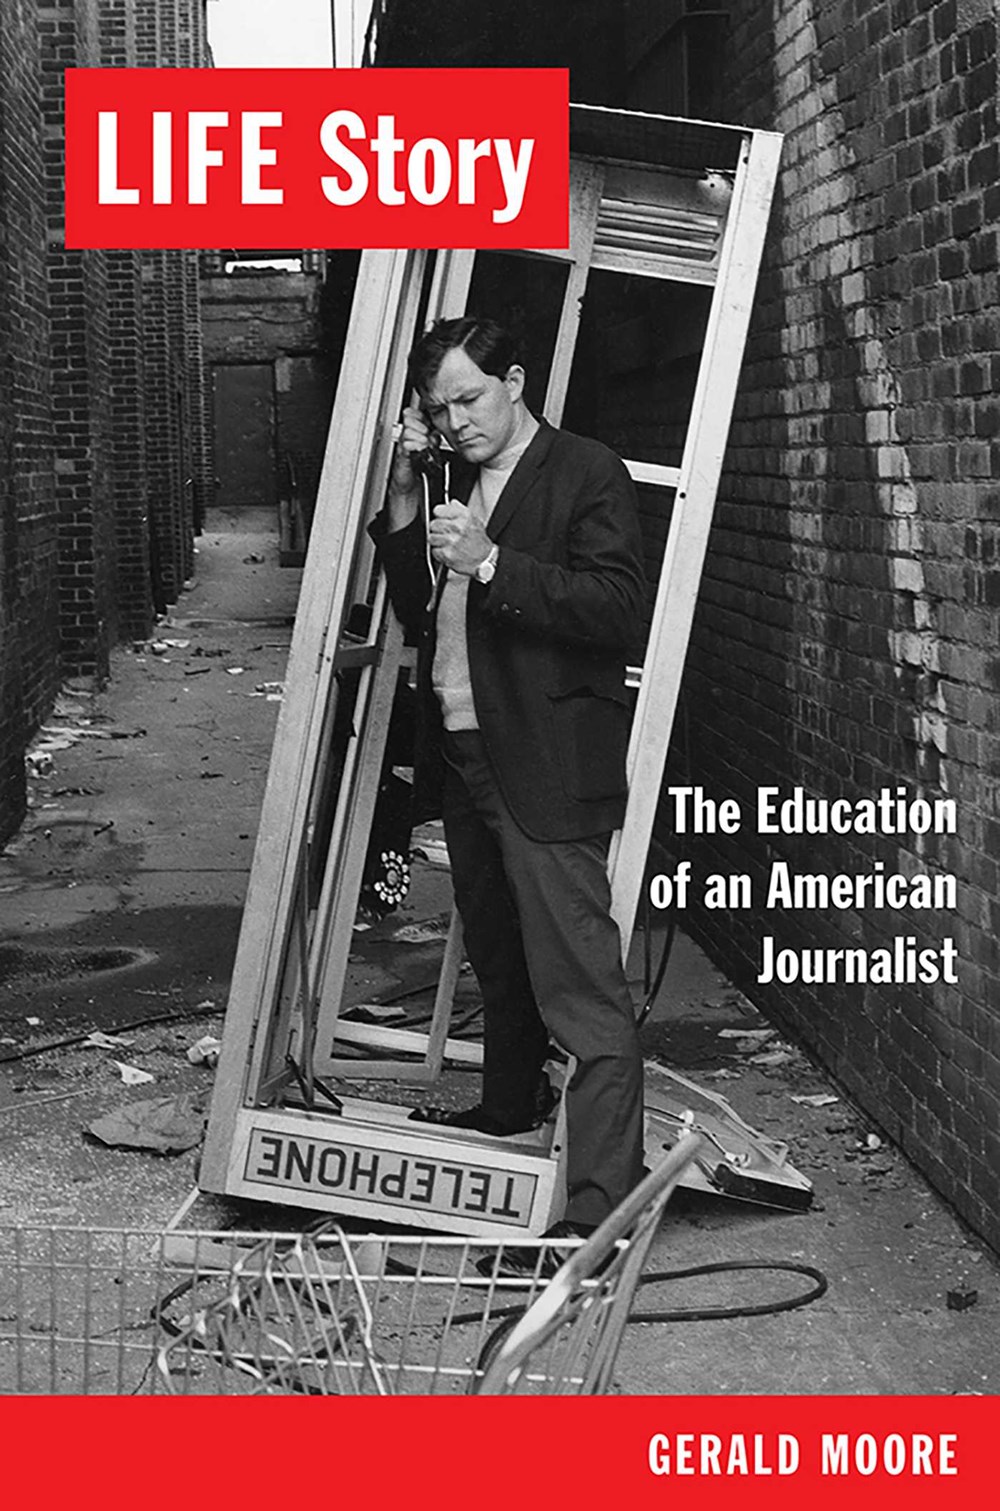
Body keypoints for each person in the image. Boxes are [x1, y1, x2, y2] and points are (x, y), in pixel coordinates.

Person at [371, 315, 646, 1239]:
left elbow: (617, 608)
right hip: (466, 751)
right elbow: (417, 604)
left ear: (516, 381)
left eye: (470, 398)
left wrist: (490, 561)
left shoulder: (584, 470)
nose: (456, 422)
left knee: (582, 987)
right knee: (499, 951)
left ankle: (600, 1210)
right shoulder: (450, 475)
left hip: (545, 758)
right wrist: (405, 490)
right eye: (439, 408)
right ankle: (508, 1107)